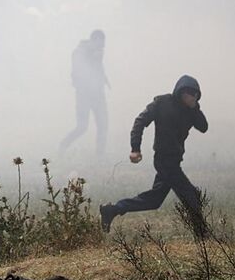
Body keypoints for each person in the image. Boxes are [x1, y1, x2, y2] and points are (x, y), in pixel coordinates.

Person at [99, 75, 209, 235]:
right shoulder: (162, 103)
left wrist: (195, 107)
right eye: (188, 93)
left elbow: (204, 127)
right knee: (192, 197)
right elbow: (140, 121)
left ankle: (113, 209)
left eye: (195, 95)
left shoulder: (191, 111)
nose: (191, 97)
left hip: (174, 161)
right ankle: (203, 239)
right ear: (180, 92)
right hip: (164, 161)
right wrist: (135, 148)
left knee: (154, 200)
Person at [59, 30, 108, 158]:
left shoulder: (98, 52)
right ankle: (63, 145)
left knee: (103, 124)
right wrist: (93, 58)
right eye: (101, 43)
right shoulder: (79, 52)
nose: (102, 46)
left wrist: (104, 80)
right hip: (84, 96)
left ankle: (100, 156)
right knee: (82, 126)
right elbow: (80, 71)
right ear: (95, 40)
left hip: (98, 94)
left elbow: (98, 70)